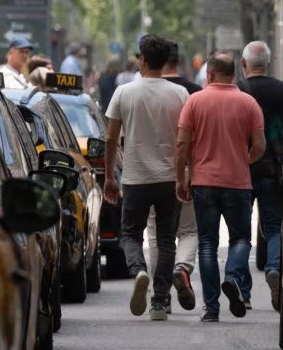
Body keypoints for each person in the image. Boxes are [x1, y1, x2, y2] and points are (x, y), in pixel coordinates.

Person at [104, 35, 189, 319]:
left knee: (130, 233)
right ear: (165, 62)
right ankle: (159, 302)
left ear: (141, 59)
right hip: (168, 178)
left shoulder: (123, 93)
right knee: (166, 240)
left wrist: (109, 177)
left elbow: (111, 138)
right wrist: (183, 177)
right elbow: (185, 140)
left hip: (135, 177)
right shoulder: (180, 94)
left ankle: (139, 271)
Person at [176, 52, 264, 322]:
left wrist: (182, 177)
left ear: (210, 74)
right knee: (240, 240)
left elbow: (181, 144)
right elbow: (260, 145)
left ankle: (211, 308)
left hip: (203, 182)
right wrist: (244, 160)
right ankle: (234, 277)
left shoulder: (195, 101)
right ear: (234, 73)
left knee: (207, 244)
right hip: (238, 183)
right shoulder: (249, 103)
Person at [238, 40, 283, 312]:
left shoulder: (239, 91)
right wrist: (279, 130)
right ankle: (274, 269)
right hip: (274, 168)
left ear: (244, 65)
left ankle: (243, 292)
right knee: (275, 225)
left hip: (240, 168)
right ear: (268, 63)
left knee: (240, 231)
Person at [146, 42, 201, 310]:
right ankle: (182, 268)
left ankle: (161, 296)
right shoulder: (194, 93)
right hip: (189, 168)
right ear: (180, 61)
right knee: (189, 230)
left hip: (151, 172)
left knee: (157, 236)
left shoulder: (138, 91)